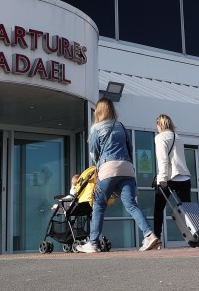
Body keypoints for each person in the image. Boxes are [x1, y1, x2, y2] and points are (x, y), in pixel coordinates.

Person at [77, 98, 160, 253]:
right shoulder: (121, 126)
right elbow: (130, 148)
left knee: (99, 205)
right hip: (127, 168)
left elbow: (94, 153)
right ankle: (149, 235)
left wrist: (100, 165)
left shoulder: (96, 128)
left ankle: (93, 243)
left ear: (99, 111)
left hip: (108, 168)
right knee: (131, 204)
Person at [153, 114, 192, 242]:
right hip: (184, 177)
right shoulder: (178, 137)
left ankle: (157, 238)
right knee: (187, 211)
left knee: (158, 209)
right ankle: (194, 236)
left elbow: (163, 160)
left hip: (169, 178)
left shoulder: (160, 138)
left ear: (160, 124)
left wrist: (162, 179)